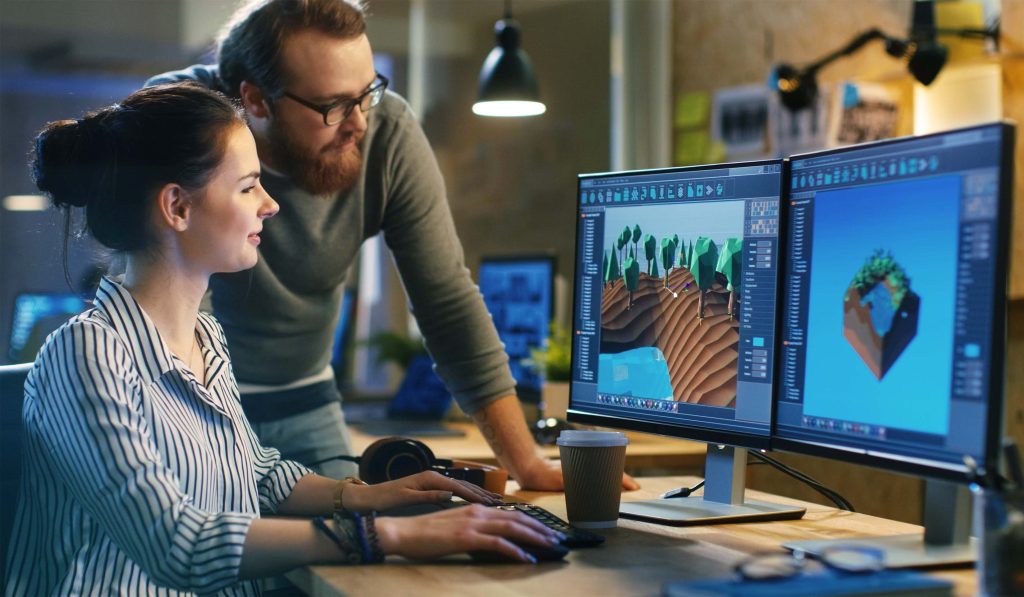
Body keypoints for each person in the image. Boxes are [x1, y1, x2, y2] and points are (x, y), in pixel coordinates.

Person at [5, 83, 564, 596]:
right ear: (177, 207)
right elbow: (179, 544)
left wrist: (370, 496)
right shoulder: (84, 356)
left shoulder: (204, 335)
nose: (269, 204)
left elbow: (254, 470)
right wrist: (389, 535)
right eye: (248, 186)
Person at [147, 0, 638, 492]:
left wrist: (526, 463)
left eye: (367, 94)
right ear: (256, 101)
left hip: (306, 401)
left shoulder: (386, 133)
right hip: (189, 398)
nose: (359, 122)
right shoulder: (176, 121)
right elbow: (165, 305)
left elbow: (446, 302)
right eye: (333, 106)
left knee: (350, 553)